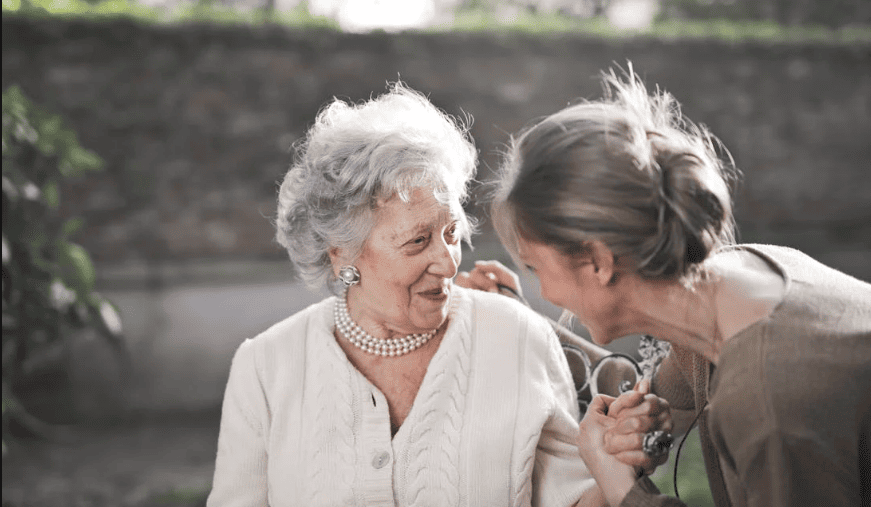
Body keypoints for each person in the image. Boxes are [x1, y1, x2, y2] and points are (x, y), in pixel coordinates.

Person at [206, 82, 672, 506]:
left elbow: (574, 500)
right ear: (342, 254)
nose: (449, 262)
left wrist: (615, 461)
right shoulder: (266, 368)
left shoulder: (516, 337)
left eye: (451, 232)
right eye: (417, 241)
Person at [465, 67, 871, 507]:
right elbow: (658, 398)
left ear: (599, 262)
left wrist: (623, 487)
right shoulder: (736, 282)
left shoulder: (769, 405)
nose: (544, 292)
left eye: (534, 266)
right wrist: (517, 321)